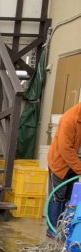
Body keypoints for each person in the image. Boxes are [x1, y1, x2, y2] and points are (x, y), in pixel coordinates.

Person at [47, 102, 81, 238]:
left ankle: (64, 229)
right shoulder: (69, 119)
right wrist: (79, 168)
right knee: (58, 197)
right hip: (59, 163)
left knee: (71, 197)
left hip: (74, 162)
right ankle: (52, 230)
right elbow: (65, 149)